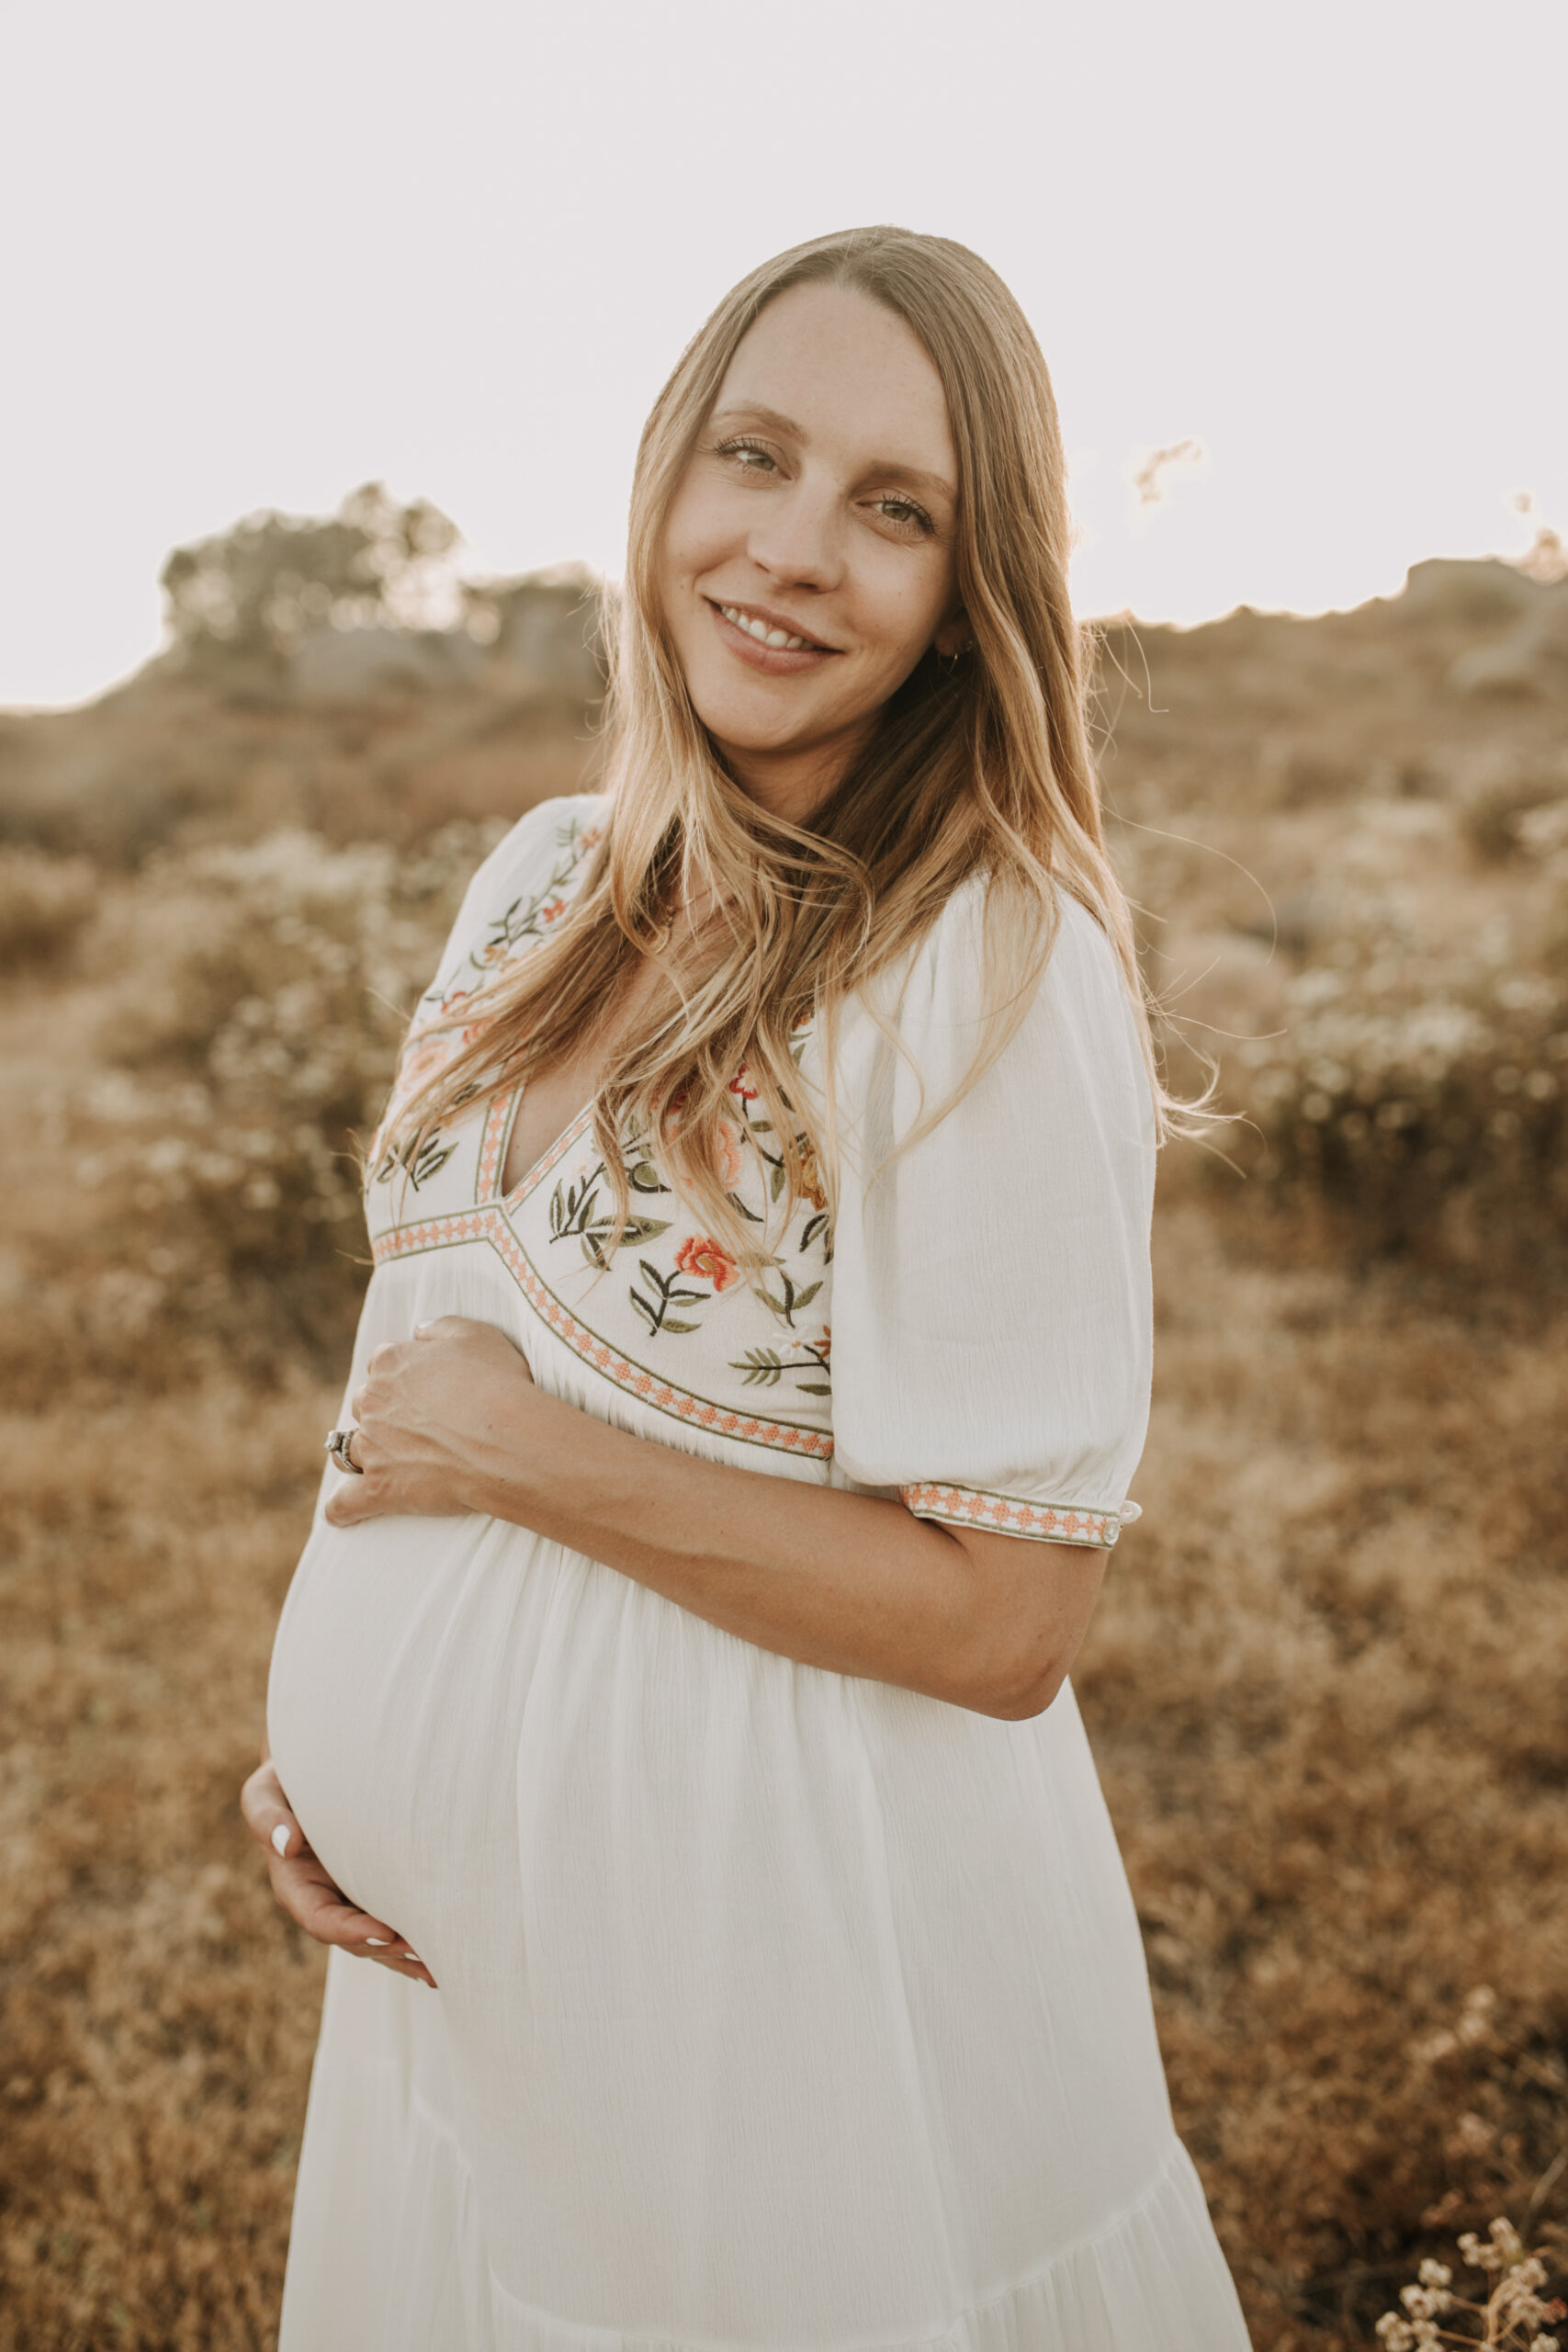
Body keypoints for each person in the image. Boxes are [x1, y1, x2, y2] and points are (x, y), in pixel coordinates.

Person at [243, 225, 1252, 2352]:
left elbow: (1005, 1617)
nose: (794, 550)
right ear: (659, 477)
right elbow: (404, 1378)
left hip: (765, 1977)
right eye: (755, 456)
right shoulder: (536, 874)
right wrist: (321, 1759)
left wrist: (533, 1458)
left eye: (896, 510)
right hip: (461, 1984)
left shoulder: (982, 957)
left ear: (972, 599)